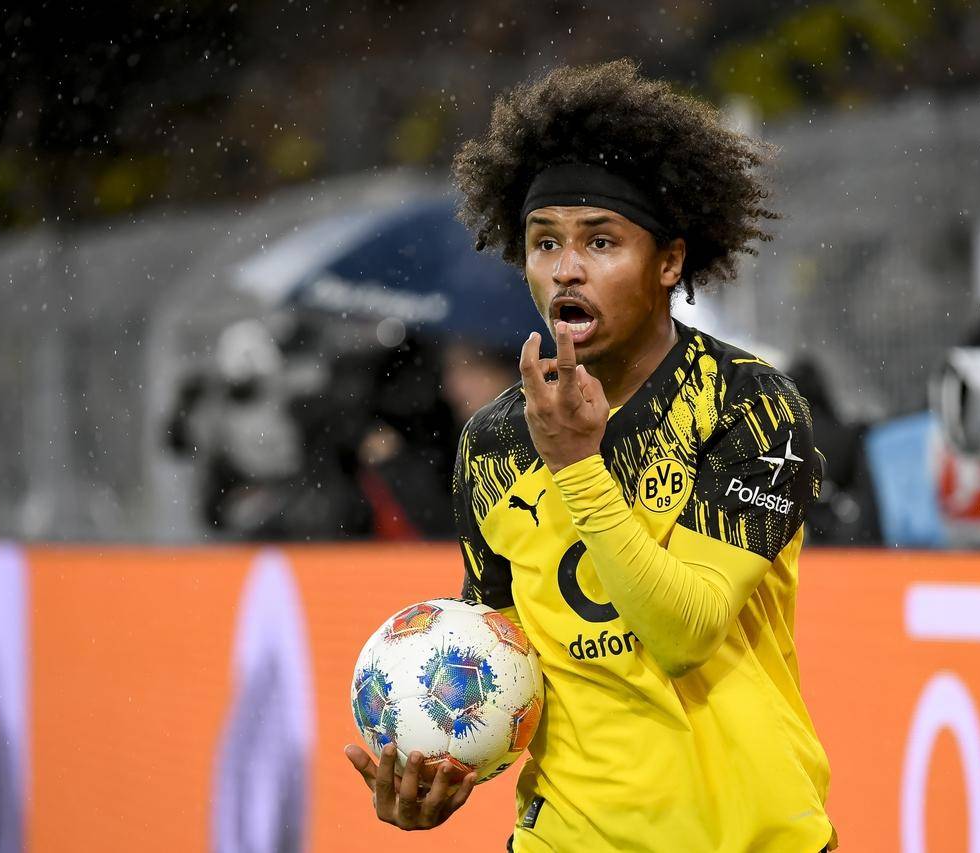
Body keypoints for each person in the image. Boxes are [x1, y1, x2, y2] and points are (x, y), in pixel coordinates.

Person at [344, 60, 835, 852]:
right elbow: (511, 668)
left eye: (600, 242)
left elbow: (684, 633)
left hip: (750, 837)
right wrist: (446, 768)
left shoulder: (750, 406)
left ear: (668, 262)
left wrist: (578, 467)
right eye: (545, 243)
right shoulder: (494, 444)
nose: (566, 268)